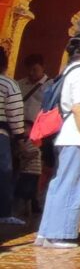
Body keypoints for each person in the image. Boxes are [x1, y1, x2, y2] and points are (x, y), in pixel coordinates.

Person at [36, 33, 80, 249]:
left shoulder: (70, 70)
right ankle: (59, 233)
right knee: (72, 184)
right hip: (77, 136)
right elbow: (79, 107)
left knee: (60, 183)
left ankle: (47, 231)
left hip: (68, 135)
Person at [15, 54, 52, 216]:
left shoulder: (50, 86)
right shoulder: (19, 84)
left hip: (39, 131)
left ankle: (32, 199)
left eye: (35, 69)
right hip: (18, 129)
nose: (32, 73)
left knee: (36, 166)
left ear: (43, 67)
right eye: (29, 70)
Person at [0, 49, 25, 225]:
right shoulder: (8, 84)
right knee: (3, 173)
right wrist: (20, 136)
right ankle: (4, 212)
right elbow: (15, 113)